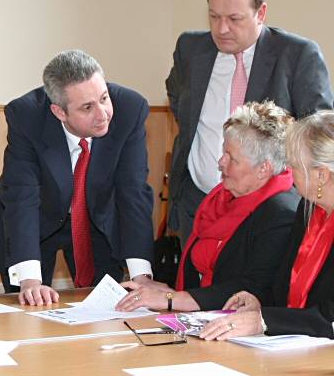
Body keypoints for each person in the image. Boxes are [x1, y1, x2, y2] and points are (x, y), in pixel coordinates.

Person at [167, 0, 332, 245]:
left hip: (267, 211)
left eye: (234, 18)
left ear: (261, 13)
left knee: (251, 288)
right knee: (192, 286)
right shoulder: (190, 49)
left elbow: (315, 135)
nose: (221, 29)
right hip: (197, 204)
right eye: (214, 16)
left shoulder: (297, 55)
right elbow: (178, 101)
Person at [0, 49, 154, 306]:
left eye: (104, 98)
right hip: (34, 222)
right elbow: (22, 197)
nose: (103, 114)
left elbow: (133, 194)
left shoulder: (130, 109)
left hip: (97, 218)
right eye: (87, 107)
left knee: (105, 308)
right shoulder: (26, 116)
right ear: (59, 111)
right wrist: (30, 281)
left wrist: (142, 276)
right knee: (30, 306)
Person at [116, 101, 299, 312]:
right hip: (202, 319)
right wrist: (166, 292)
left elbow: (253, 288)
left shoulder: (282, 214)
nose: (221, 162)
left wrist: (173, 298)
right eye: (223, 152)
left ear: (263, 169)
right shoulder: (219, 199)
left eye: (232, 158)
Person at [200, 110, 334, 340]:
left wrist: (263, 320)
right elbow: (289, 290)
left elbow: (329, 317)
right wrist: (259, 304)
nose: (290, 173)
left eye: (296, 167)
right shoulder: (309, 210)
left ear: (321, 175)